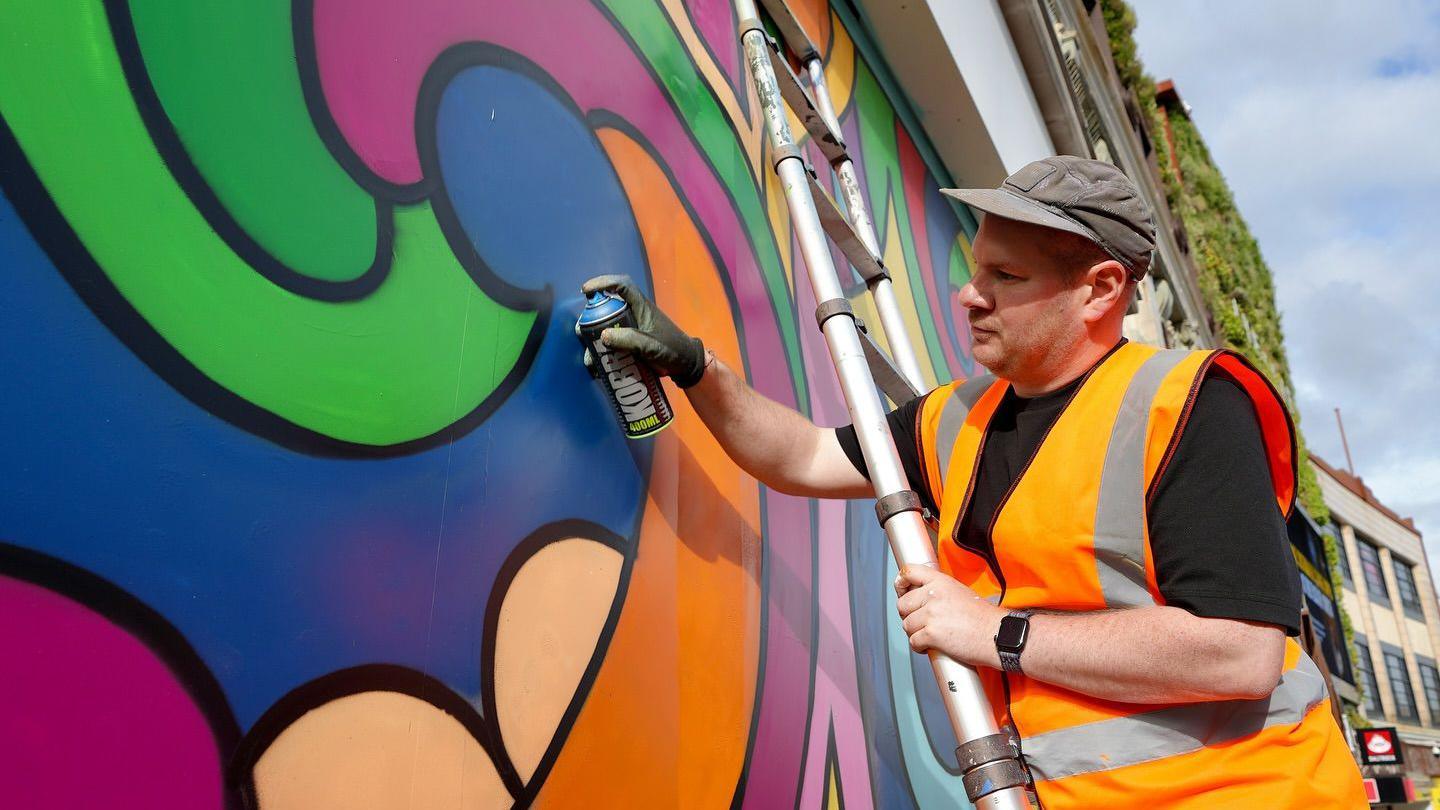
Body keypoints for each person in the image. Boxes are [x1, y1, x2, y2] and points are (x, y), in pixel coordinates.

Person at [582, 155, 1363, 808]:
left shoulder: (1189, 402)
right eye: (973, 268)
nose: (969, 294)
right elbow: (804, 457)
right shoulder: (953, 418)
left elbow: (1239, 654)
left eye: (1006, 276)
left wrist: (994, 633)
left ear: (1100, 290)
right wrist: (696, 368)